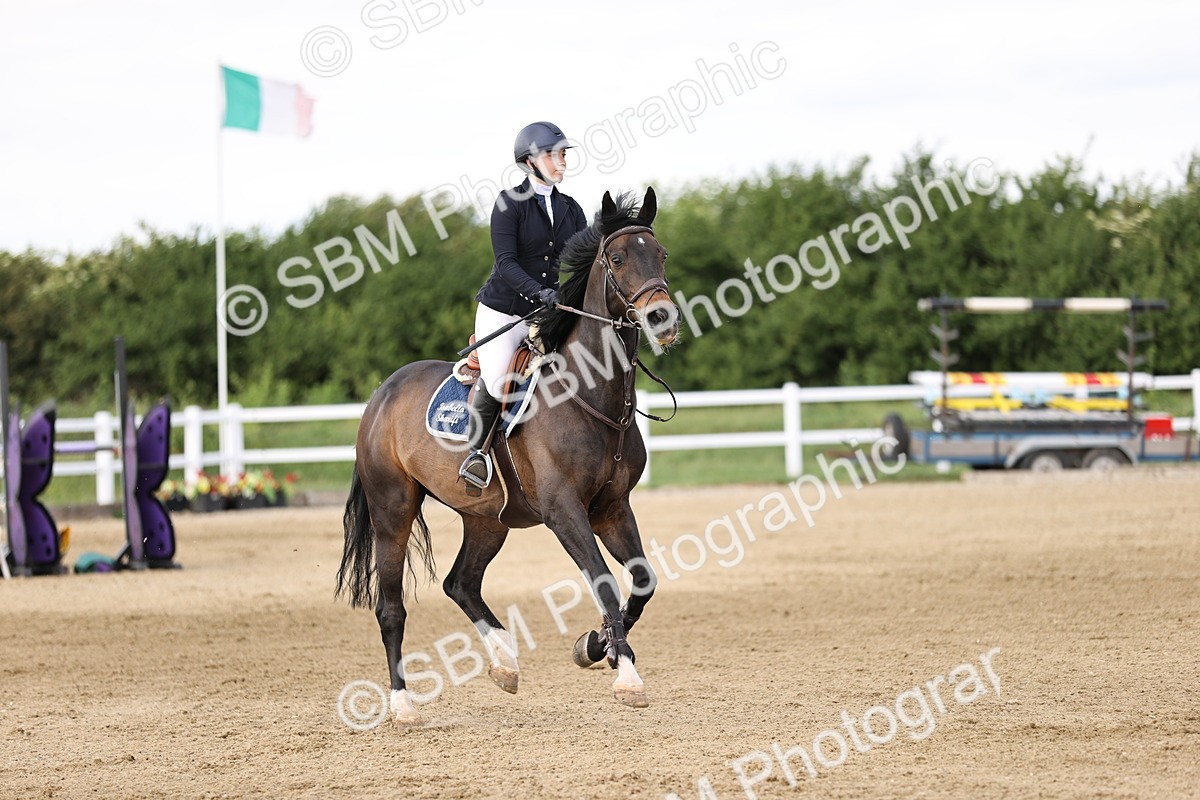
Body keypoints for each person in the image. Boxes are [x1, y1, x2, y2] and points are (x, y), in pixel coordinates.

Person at [459, 121, 589, 489]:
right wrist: (541, 292)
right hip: (503, 311)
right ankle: (476, 456)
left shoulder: (571, 209)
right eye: (554, 155)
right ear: (530, 161)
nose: (562, 162)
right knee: (498, 381)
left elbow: (583, 264)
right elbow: (506, 263)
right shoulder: (508, 204)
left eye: (563, 155)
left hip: (548, 314)